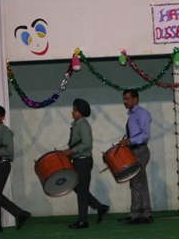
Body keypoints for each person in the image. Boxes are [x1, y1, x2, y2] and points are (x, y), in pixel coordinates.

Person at [61, 98, 108, 229]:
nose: (72, 112)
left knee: (81, 191)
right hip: (78, 160)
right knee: (78, 188)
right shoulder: (77, 124)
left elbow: (87, 144)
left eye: (74, 110)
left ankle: (83, 221)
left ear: (80, 112)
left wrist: (71, 151)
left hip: (83, 161)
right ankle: (99, 207)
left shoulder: (83, 125)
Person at [0, 105, 31, 233]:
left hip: (3, 165)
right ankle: (18, 214)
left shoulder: (6, 132)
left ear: (2, 118)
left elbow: (9, 151)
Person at [119, 89, 153, 224]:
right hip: (134, 151)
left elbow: (145, 135)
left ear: (135, 99)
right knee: (136, 182)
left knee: (138, 182)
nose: (125, 101)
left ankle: (143, 214)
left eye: (127, 99)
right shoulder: (132, 115)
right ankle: (137, 213)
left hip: (140, 151)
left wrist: (129, 141)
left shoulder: (142, 113)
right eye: (124, 99)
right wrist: (126, 142)